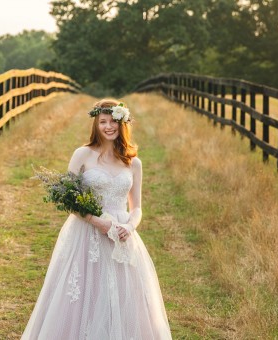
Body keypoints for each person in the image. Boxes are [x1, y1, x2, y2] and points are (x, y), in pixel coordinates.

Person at [22, 99, 172, 339]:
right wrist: (96, 220)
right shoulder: (83, 154)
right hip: (87, 233)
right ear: (96, 124)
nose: (108, 126)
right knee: (85, 293)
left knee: (123, 296)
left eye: (113, 121)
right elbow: (68, 199)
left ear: (122, 123)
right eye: (103, 122)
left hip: (121, 236)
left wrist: (130, 227)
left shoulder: (134, 163)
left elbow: (137, 208)